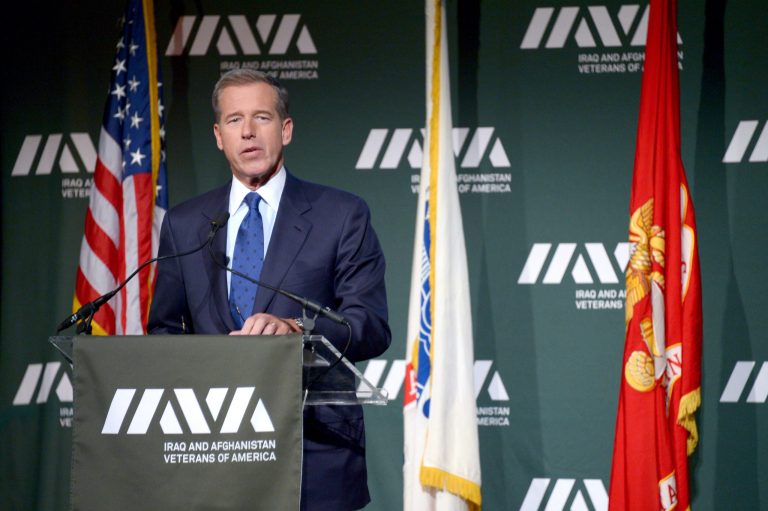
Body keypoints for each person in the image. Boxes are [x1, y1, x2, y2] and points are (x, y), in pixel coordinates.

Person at [147, 69, 391, 510]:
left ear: (286, 129)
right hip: (213, 452)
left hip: (313, 451)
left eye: (261, 117)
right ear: (219, 136)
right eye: (235, 120)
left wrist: (299, 329)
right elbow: (164, 331)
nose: (248, 132)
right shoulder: (185, 224)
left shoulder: (341, 215)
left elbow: (370, 325)